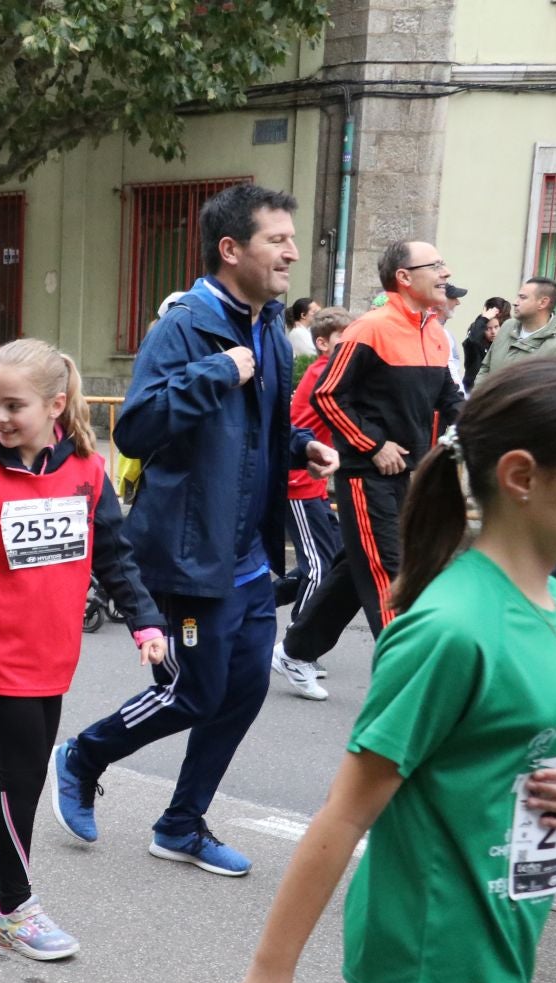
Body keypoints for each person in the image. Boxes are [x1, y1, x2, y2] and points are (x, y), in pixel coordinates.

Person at [141, 357, 556, 983]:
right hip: (444, 956)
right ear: (521, 478)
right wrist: (270, 976)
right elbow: (344, 817)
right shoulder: (452, 627)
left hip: (492, 932)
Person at [52, 185, 337, 877]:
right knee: (195, 692)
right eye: (278, 240)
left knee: (240, 694)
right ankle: (85, 755)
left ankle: (181, 823)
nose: (292, 253)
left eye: (291, 240)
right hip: (188, 551)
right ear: (231, 248)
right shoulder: (183, 326)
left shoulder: (268, 323)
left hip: (246, 552)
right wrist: (215, 371)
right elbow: (139, 429)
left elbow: (264, 423)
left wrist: (301, 448)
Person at [0, 339, 166, 959]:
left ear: (56, 405)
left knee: (24, 764)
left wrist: (145, 624)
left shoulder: (87, 471)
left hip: (53, 645)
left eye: (13, 405)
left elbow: (114, 556)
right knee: (24, 770)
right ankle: (13, 908)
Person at [273, 240, 463, 678]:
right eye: (435, 265)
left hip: (411, 473)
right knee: (387, 568)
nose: (445, 272)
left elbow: (451, 401)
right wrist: (373, 445)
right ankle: (409, 676)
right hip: (366, 474)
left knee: (354, 567)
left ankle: (296, 649)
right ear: (404, 276)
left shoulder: (434, 332)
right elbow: (326, 394)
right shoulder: (369, 329)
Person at [270, 305, 353, 688]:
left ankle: (253, 603)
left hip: (311, 482)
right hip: (298, 482)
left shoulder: (335, 371)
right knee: (319, 569)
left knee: (327, 562)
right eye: (344, 340)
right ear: (322, 344)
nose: (352, 346)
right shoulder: (324, 374)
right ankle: (293, 649)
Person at [478, 275, 556, 382]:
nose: (515, 302)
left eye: (523, 297)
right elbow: (485, 368)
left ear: (543, 302)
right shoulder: (507, 326)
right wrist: (480, 396)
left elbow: (555, 393)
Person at [462, 294, 509, 389]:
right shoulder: (476, 333)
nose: (493, 332)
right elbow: (472, 340)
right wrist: (483, 319)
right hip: (474, 389)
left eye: (497, 326)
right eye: (489, 328)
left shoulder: (506, 336)